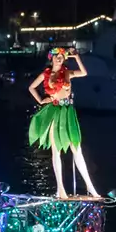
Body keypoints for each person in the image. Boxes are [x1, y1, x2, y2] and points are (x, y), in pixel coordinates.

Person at [27, 47, 96, 199]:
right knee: (56, 150)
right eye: (56, 56)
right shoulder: (46, 74)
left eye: (61, 56)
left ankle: (91, 188)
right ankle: (60, 190)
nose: (59, 58)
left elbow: (84, 73)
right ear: (51, 58)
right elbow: (31, 87)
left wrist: (76, 57)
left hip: (68, 111)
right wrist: (41, 100)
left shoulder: (67, 73)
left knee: (76, 148)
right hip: (54, 111)